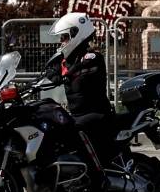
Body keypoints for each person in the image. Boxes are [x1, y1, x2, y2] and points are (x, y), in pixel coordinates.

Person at [42, 11, 116, 171]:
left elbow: (75, 70)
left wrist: (63, 75)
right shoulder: (66, 59)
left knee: (70, 131)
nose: (61, 42)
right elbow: (51, 70)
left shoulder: (92, 57)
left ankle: (96, 177)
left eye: (64, 37)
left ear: (77, 34)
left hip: (96, 113)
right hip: (77, 114)